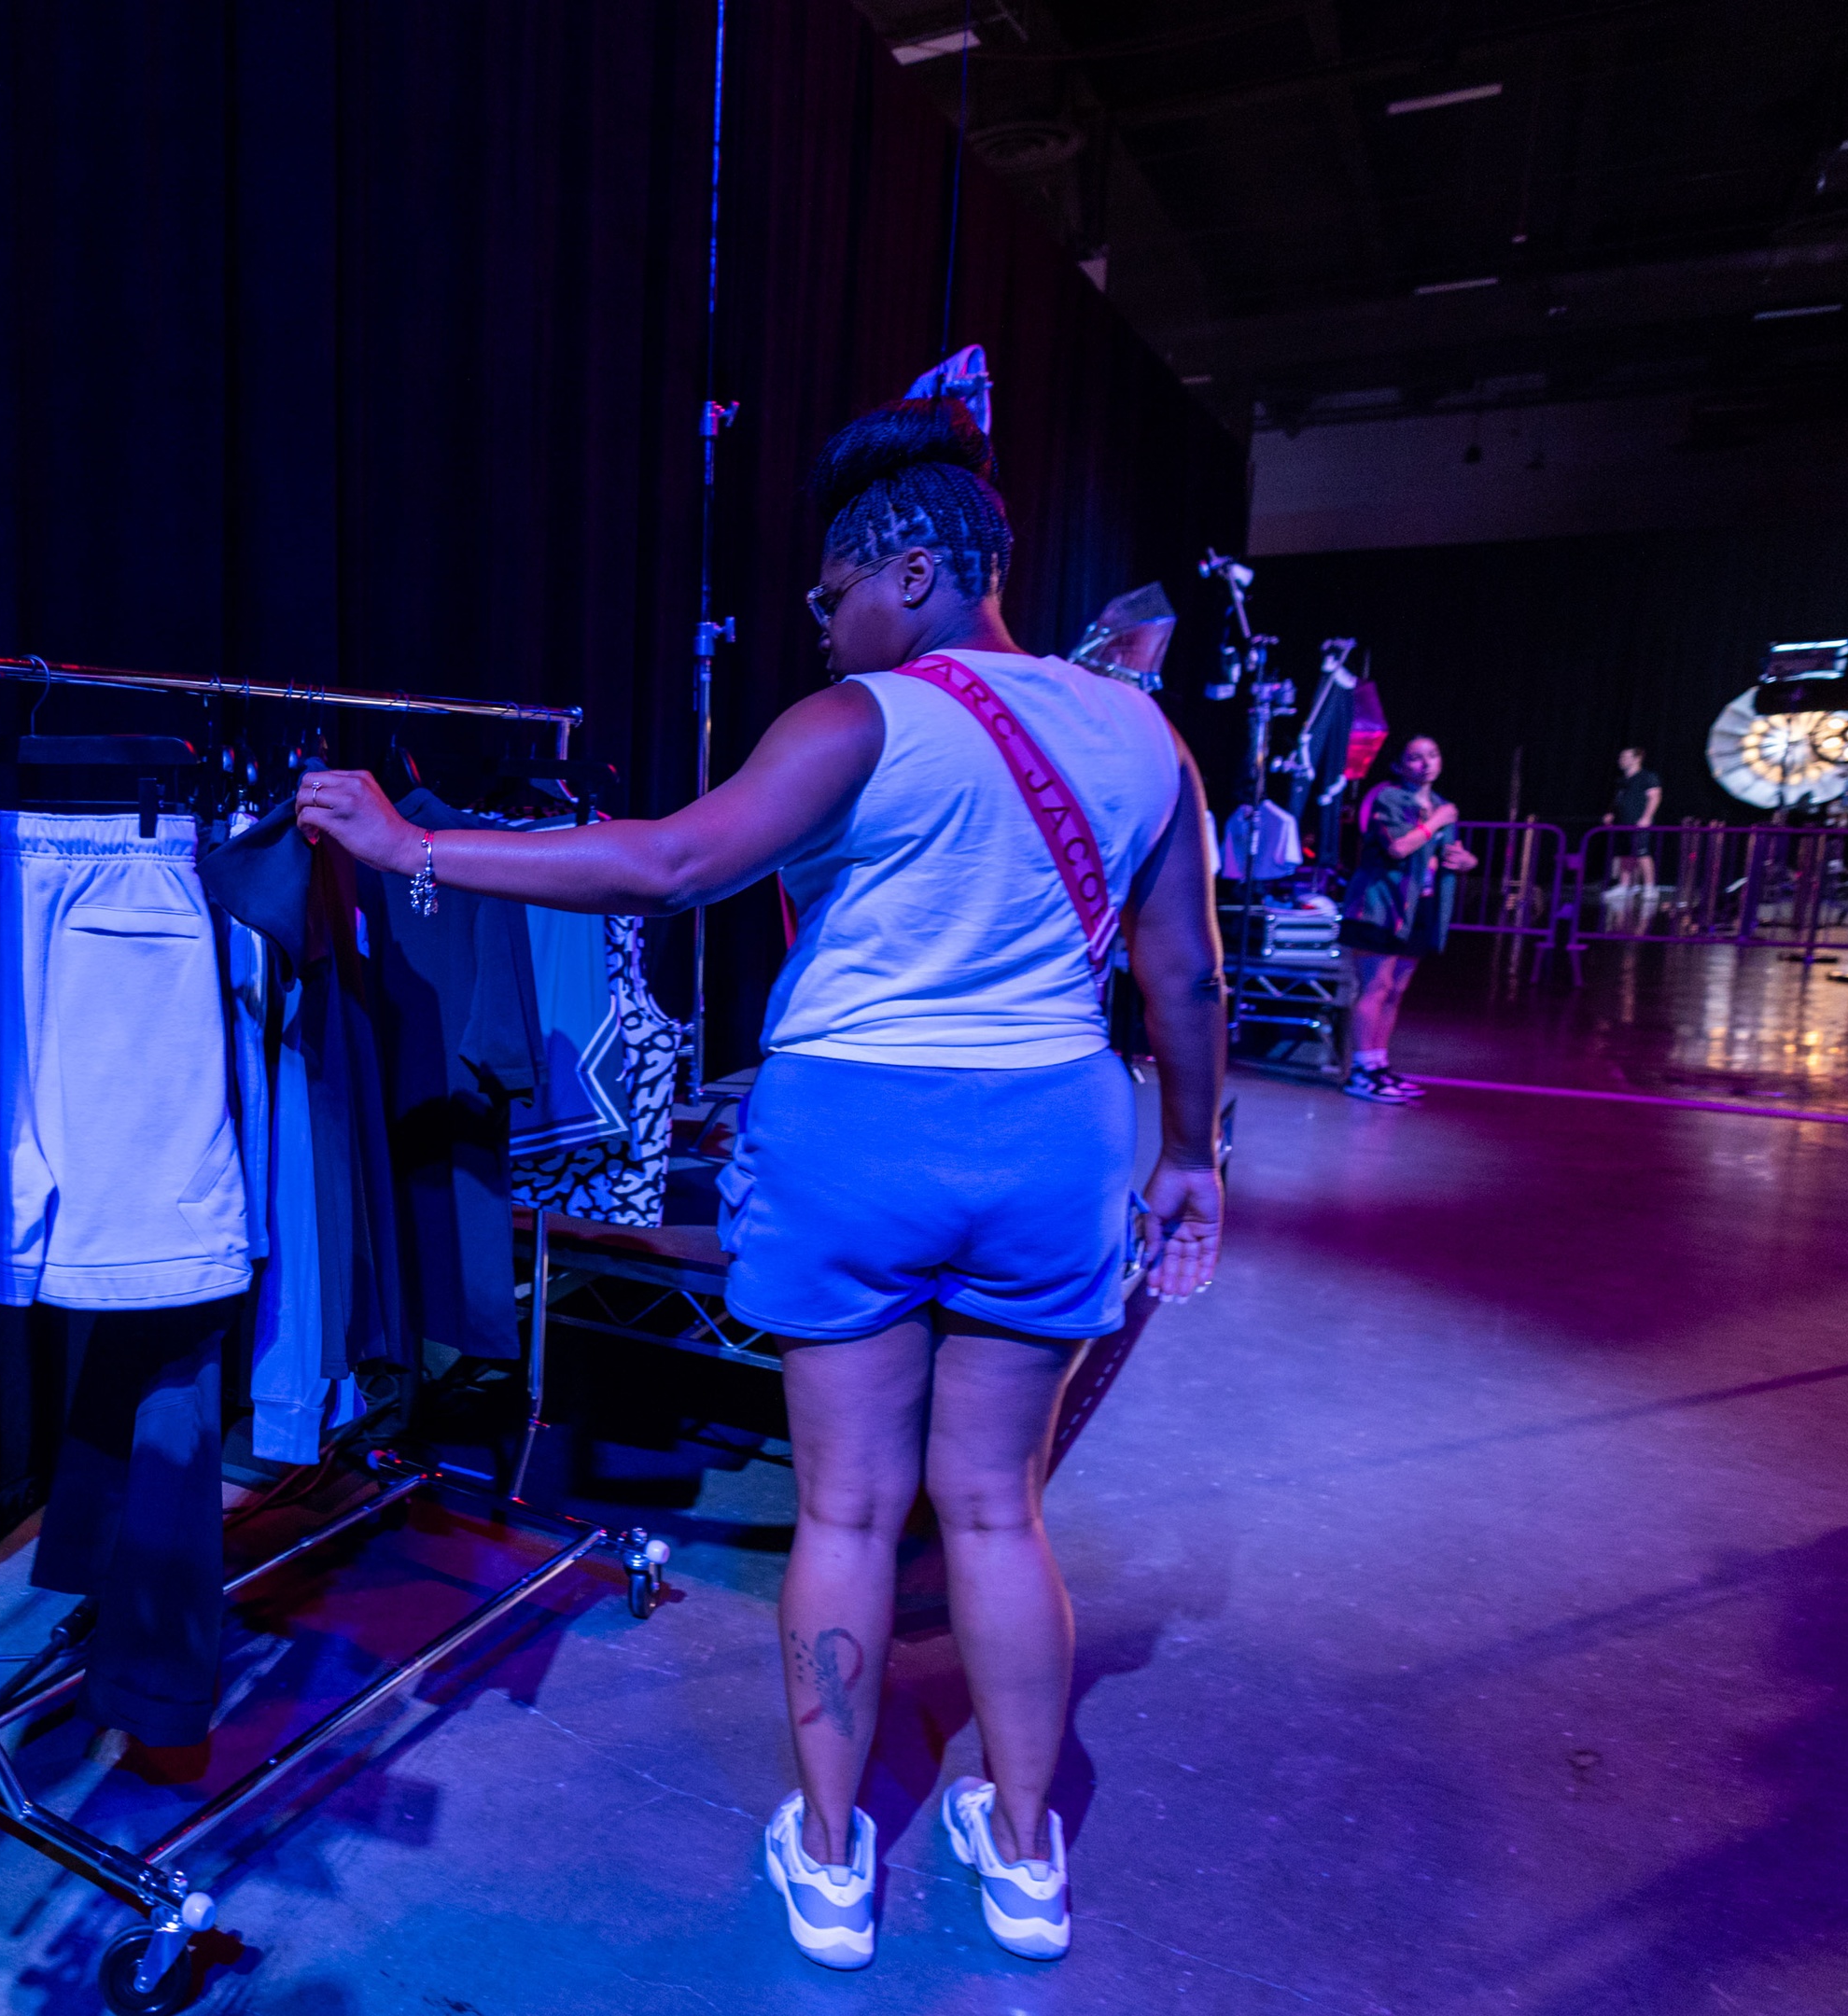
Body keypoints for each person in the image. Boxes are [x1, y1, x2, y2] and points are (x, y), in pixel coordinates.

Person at [293, 397, 1225, 1971]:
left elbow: (664, 864)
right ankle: (1019, 1858)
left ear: (915, 567)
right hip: (1056, 1130)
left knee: (850, 1509)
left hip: (860, 1134)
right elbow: (1187, 977)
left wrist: (413, 852)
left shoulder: (864, 721)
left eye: (829, 595)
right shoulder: (1142, 730)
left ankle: (834, 1861)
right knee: (998, 1510)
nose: (819, 626)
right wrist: (1194, 1155)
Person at [1337, 733, 1478, 1103]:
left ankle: (1379, 1064)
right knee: (1375, 987)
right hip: (1380, 907)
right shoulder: (1389, 798)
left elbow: (1445, 854)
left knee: (1396, 991)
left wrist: (1465, 861)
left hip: (1418, 908)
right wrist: (1437, 823)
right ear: (1400, 765)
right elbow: (1398, 846)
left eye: (1432, 754)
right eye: (1416, 757)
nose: (1426, 762)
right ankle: (1362, 1071)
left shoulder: (1442, 805)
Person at [1607, 746, 1663, 892]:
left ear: (1637, 759)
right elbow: (1618, 799)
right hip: (1623, 822)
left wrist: (1646, 817)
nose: (1621, 760)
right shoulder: (1622, 780)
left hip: (1639, 823)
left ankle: (1650, 887)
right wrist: (1611, 813)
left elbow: (1655, 797)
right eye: (1621, 757)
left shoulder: (1647, 777)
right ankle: (1624, 886)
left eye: (1625, 757)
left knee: (1642, 854)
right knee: (1624, 854)